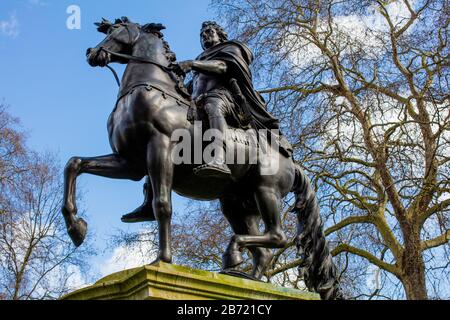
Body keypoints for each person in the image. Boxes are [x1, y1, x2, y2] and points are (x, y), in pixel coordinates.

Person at [121, 21, 289, 223]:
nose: (205, 36)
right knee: (162, 132)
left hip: (225, 99)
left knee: (212, 105)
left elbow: (223, 67)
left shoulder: (231, 49)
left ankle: (218, 155)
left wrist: (192, 64)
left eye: (209, 32)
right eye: (202, 34)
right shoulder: (202, 58)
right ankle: (149, 201)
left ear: (220, 34)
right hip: (197, 102)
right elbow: (195, 85)